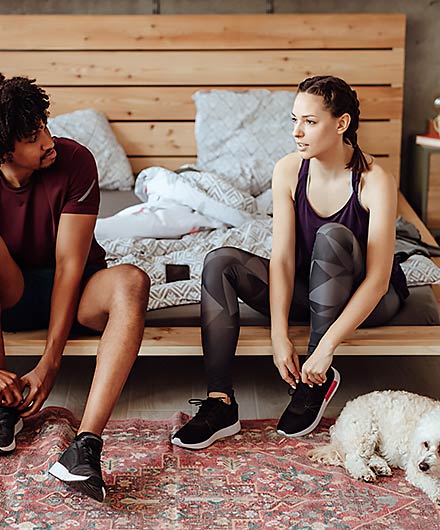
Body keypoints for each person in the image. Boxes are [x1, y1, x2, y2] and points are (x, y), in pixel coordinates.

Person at [0, 73, 150, 502]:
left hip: (76, 293)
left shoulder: (76, 162)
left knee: (132, 281)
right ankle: (2, 405)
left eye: (44, 125)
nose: (47, 141)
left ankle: (85, 448)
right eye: (31, 136)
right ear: (4, 150)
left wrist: (50, 362)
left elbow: (68, 266)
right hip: (8, 295)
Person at [171, 75, 409, 450]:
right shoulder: (288, 170)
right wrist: (278, 335)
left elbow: (378, 280)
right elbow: (281, 260)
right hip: (310, 290)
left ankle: (314, 381)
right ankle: (220, 403)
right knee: (220, 261)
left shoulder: (374, 180)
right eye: (294, 119)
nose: (297, 132)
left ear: (341, 124)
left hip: (370, 299)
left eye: (310, 122)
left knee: (332, 236)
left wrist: (324, 349)